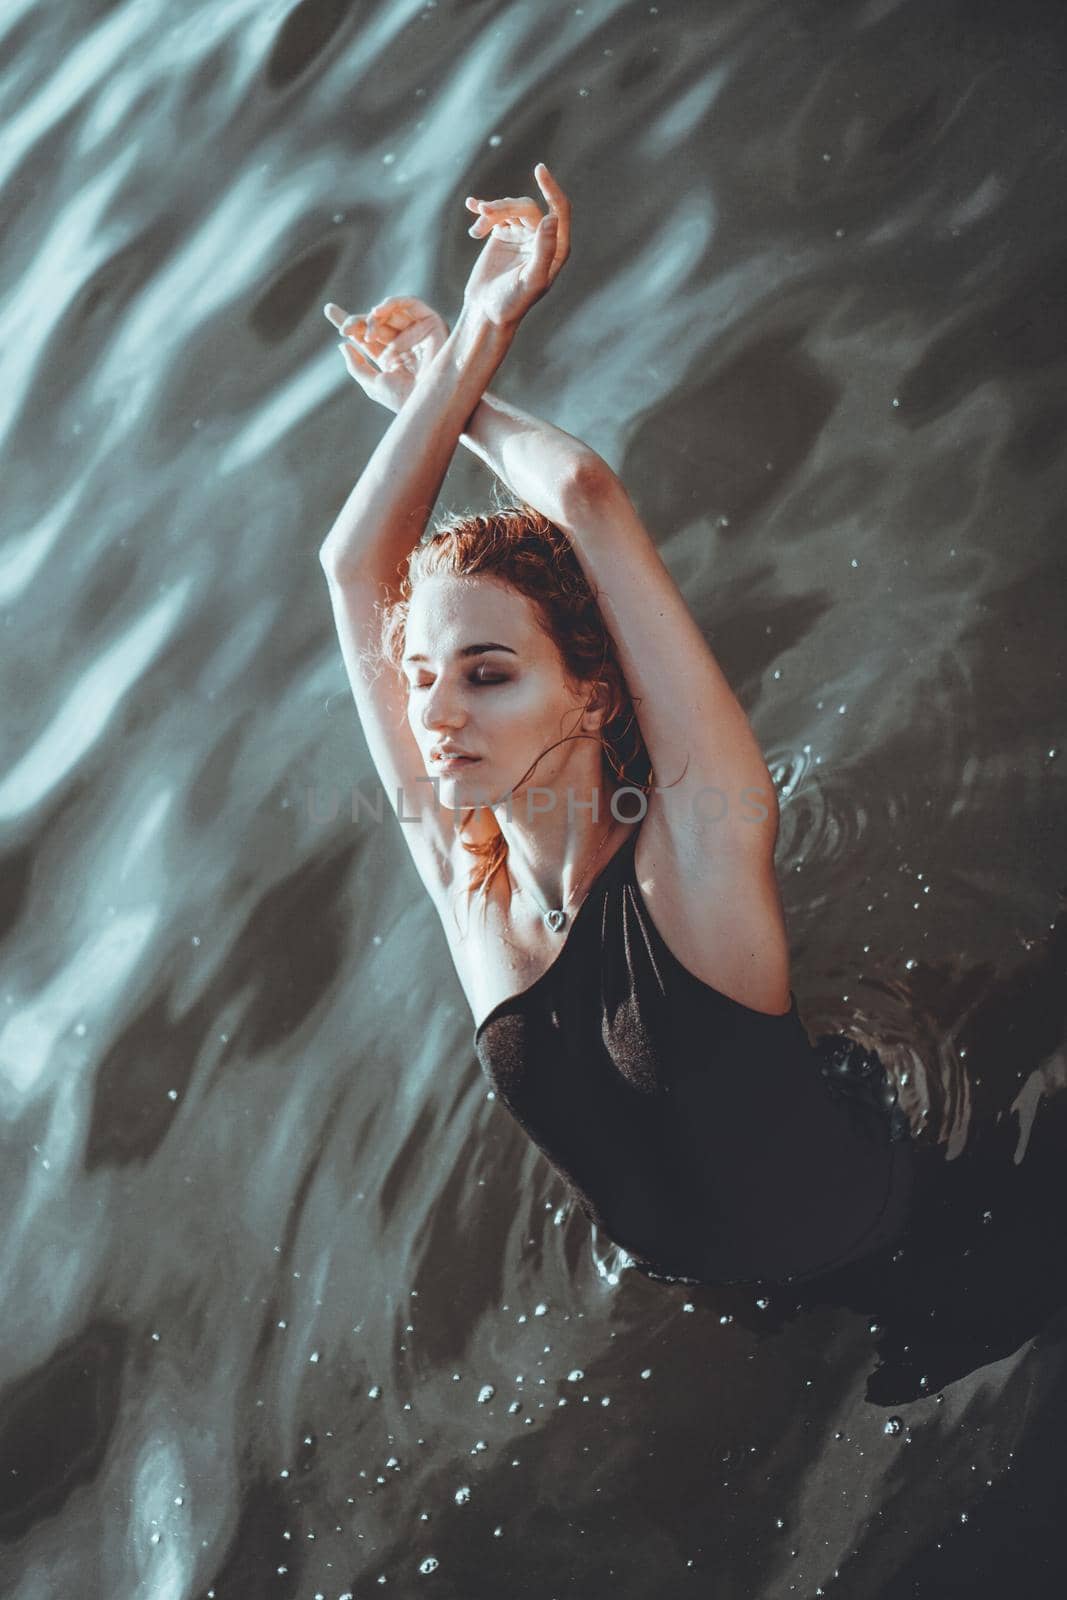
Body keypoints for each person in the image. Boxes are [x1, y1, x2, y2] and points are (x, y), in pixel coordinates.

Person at [317, 162, 918, 1289]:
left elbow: (586, 494)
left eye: (486, 674)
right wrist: (434, 374)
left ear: (591, 696)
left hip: (892, 1246)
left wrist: (481, 350)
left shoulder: (691, 852)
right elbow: (353, 569)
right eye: (420, 678)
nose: (434, 713)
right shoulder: (468, 880)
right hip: (715, 1299)